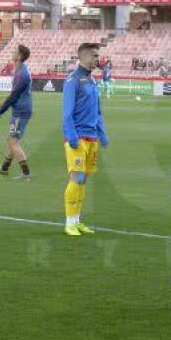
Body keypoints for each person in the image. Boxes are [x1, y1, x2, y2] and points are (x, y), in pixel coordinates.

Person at [62, 42, 108, 237]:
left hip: (92, 137)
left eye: (98, 55)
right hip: (78, 137)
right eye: (94, 56)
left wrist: (102, 133)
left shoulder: (92, 81)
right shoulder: (72, 80)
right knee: (76, 178)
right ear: (83, 57)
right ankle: (69, 223)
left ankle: (77, 221)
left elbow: (97, 111)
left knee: (84, 181)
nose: (97, 59)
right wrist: (71, 135)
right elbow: (67, 112)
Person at [0, 44, 33, 180]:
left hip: (20, 111)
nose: (12, 53)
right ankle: (4, 168)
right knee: (12, 140)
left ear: (19, 56)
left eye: (15, 52)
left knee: (13, 141)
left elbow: (13, 95)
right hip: (21, 109)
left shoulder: (21, 73)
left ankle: (26, 173)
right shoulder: (20, 70)